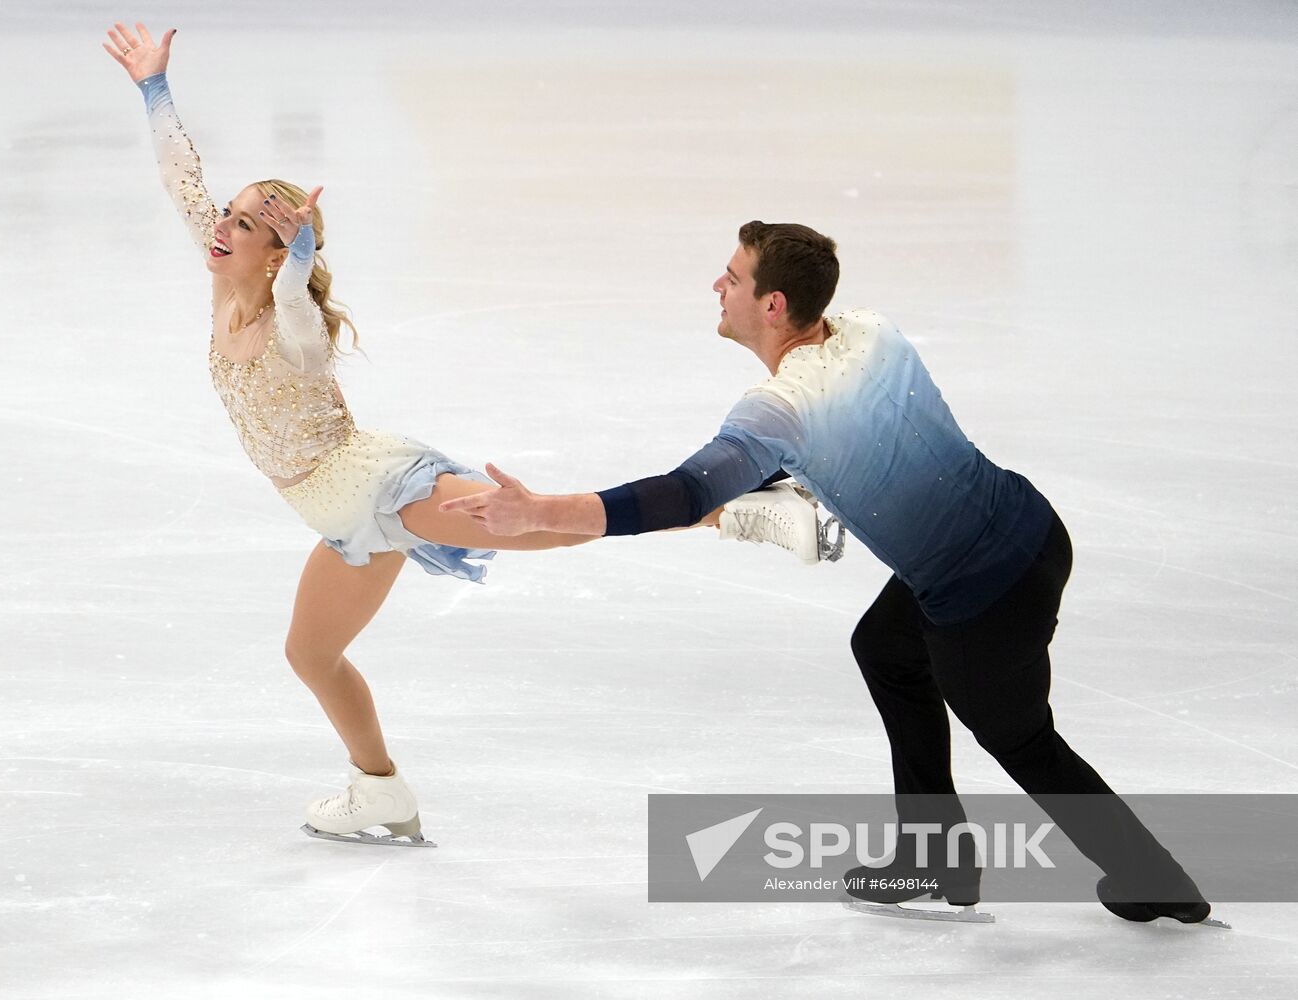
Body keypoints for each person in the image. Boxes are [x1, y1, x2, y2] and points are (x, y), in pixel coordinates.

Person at [438, 220, 1214, 923]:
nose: (719, 286)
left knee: (1024, 739)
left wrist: (541, 512)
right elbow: (860, 444)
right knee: (885, 646)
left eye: (733, 279)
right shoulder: (873, 332)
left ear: (773, 306)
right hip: (1034, 527)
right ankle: (933, 853)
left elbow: (681, 493)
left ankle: (1154, 877)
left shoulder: (778, 409)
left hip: (983, 595)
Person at [102, 22, 603, 847]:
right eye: (227, 214)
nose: (222, 226)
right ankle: (381, 792)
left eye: (247, 226)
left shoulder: (291, 325)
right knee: (309, 653)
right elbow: (180, 180)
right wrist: (153, 88)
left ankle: (722, 510)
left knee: (542, 524)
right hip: (340, 521)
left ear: (276, 254)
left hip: (380, 485)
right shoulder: (225, 276)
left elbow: (297, 298)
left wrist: (298, 260)